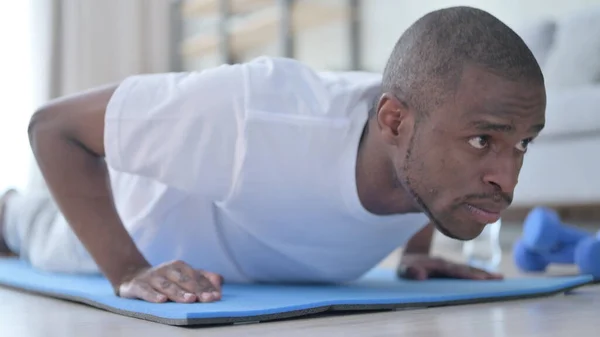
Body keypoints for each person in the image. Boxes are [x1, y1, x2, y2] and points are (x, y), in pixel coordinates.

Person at [0, 6, 546, 304]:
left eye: (523, 142)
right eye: (484, 140)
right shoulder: (253, 113)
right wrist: (129, 269)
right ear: (393, 123)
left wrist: (414, 251)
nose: (508, 177)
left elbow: (420, 167)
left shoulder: (420, 135)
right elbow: (52, 128)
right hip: (128, 220)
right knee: (23, 226)